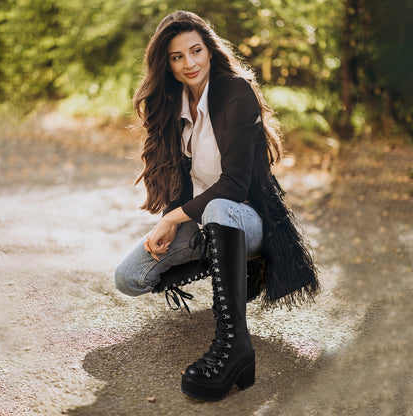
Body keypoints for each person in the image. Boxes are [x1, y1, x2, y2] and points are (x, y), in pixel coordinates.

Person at [114, 10, 319, 401]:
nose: (189, 63)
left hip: (248, 220)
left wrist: (173, 219)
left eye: (196, 50)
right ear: (166, 64)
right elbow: (181, 185)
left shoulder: (234, 92)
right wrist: (171, 221)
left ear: (209, 50)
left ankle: (234, 348)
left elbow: (234, 183)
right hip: (205, 221)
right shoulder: (171, 105)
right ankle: (232, 267)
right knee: (130, 277)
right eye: (177, 56)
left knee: (219, 208)